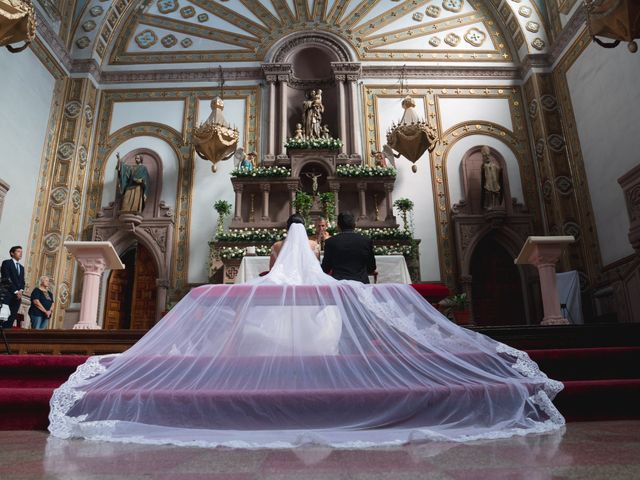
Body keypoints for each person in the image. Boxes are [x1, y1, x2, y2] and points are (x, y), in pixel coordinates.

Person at [49, 218, 565, 448]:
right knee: (330, 323)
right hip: (338, 291)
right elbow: (327, 278)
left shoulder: (281, 253)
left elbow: (275, 280)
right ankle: (334, 356)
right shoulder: (329, 248)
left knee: (281, 320)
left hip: (298, 295)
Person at [322, 212, 376, 283]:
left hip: (339, 284)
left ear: (338, 226)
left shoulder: (331, 242)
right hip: (361, 284)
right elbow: (371, 267)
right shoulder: (365, 241)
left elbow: (326, 268)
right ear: (354, 225)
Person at [0, 246, 25, 328]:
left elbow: (22, 281)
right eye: (18, 251)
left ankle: (6, 336)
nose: (20, 253)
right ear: (12, 253)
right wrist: (16, 291)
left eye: (21, 251)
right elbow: (6, 278)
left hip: (17, 297)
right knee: (3, 317)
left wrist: (21, 290)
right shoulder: (6, 263)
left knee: (11, 318)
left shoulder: (21, 268)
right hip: (7, 294)